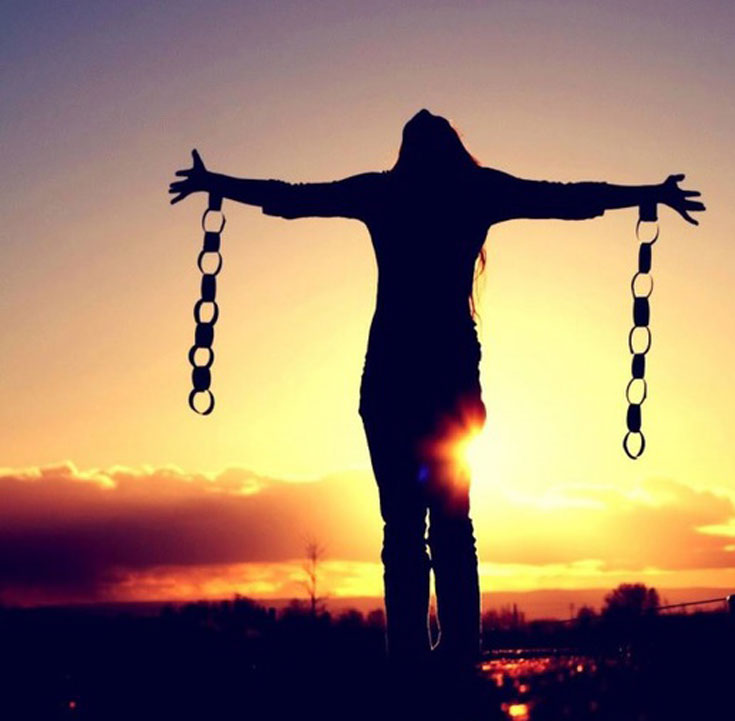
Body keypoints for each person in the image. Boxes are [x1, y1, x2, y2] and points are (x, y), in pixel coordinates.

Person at [168, 108, 704, 708]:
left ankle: (412, 659)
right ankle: (457, 653)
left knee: (404, 528)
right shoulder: (474, 191)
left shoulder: (386, 192)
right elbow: (566, 198)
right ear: (453, 148)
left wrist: (218, 184)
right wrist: (648, 194)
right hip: (447, 379)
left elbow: (295, 198)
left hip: (392, 378)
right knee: (450, 523)